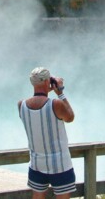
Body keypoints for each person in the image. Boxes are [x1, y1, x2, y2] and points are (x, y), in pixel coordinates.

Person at [19, 67, 76, 199]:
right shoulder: (56, 104)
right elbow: (70, 117)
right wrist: (60, 93)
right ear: (47, 82)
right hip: (60, 165)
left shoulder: (21, 105)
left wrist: (44, 90)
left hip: (36, 163)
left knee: (37, 196)